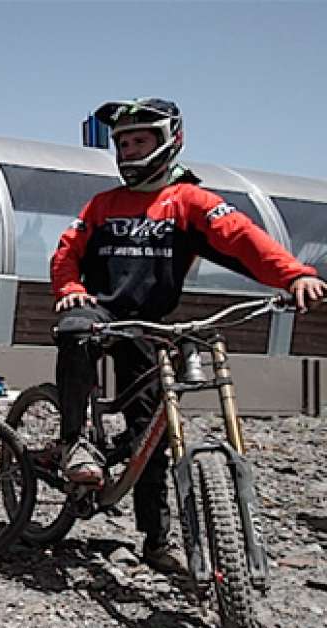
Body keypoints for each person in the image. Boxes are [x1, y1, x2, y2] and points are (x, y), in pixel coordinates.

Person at [51, 97, 326, 574]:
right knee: (74, 331)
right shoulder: (102, 204)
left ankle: (156, 542)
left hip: (152, 325)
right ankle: (74, 440)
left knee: (153, 435)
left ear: (168, 141)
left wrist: (295, 274)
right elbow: (67, 252)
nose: (130, 150)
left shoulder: (190, 200)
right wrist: (70, 288)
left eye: (140, 141)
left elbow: (242, 237)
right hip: (99, 312)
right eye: (123, 142)